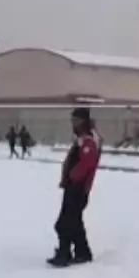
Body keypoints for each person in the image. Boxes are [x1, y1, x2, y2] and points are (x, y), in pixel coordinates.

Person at [49, 108, 101, 267]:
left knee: (64, 224)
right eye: (72, 120)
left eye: (76, 121)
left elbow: (87, 163)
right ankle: (82, 253)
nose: (73, 124)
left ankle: (65, 254)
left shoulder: (88, 141)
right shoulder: (82, 139)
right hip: (74, 187)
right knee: (74, 222)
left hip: (77, 189)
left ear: (84, 121)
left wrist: (72, 176)